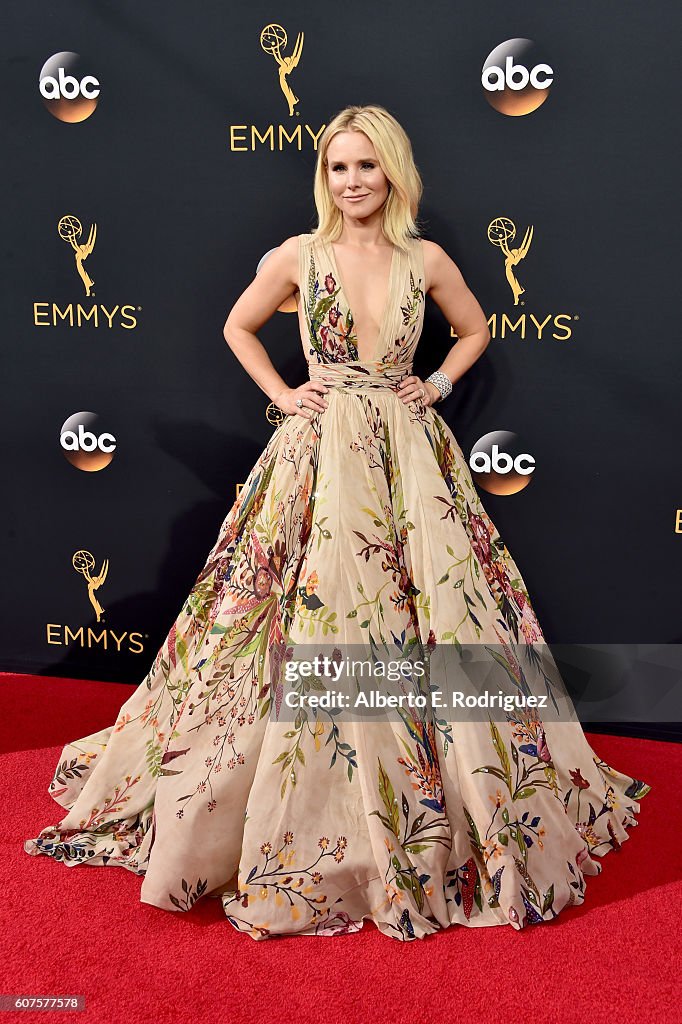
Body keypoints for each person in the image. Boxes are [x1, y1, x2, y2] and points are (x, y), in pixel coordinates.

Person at [24, 104, 651, 941]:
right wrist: (284, 396)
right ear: (323, 177)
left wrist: (435, 384)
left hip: (408, 454)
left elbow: (475, 329)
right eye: (337, 168)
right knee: (301, 610)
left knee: (431, 611)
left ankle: (427, 802)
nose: (352, 181)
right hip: (316, 456)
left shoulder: (424, 258)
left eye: (366, 166)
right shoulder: (297, 256)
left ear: (394, 172)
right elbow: (237, 326)